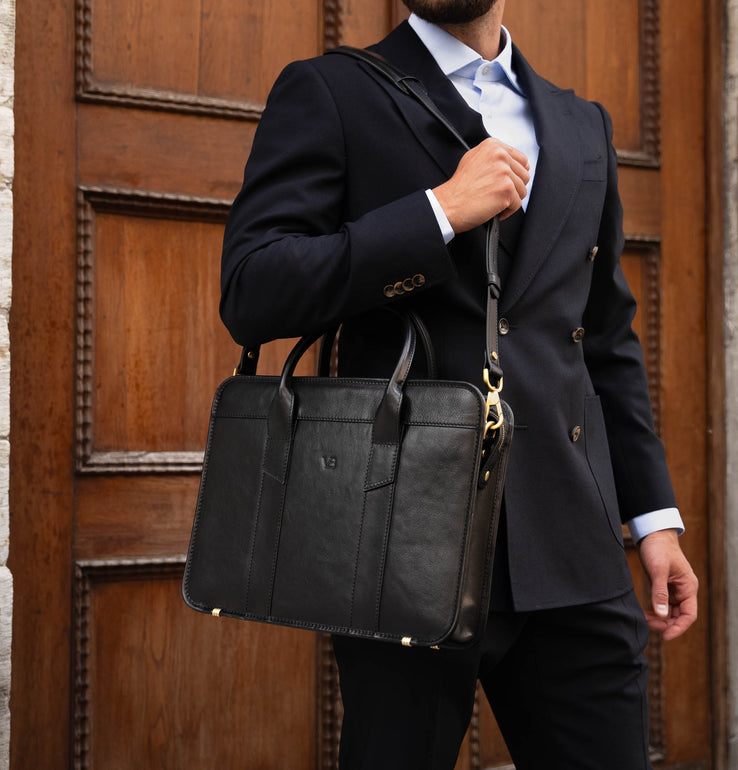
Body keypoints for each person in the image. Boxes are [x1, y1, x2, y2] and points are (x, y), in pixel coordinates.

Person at [219, 0, 699, 767]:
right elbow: (252, 290)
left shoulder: (584, 125)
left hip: (574, 543)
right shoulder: (332, 91)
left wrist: (654, 520)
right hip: (399, 544)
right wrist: (438, 212)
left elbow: (604, 342)